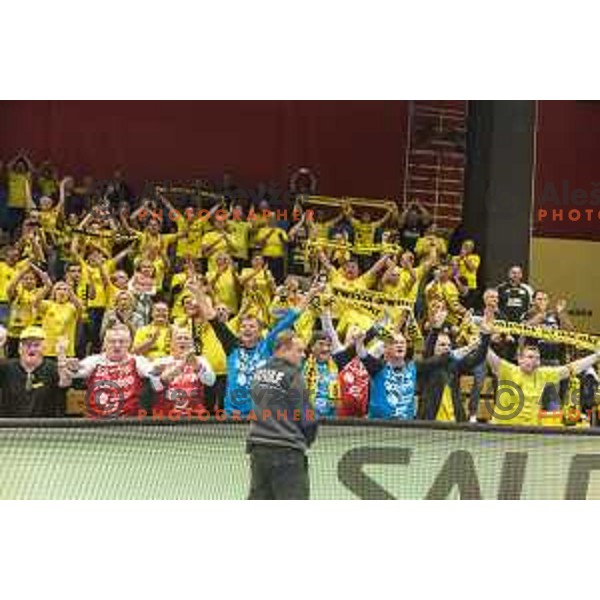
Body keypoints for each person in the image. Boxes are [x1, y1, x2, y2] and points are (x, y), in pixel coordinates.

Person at [200, 283, 322, 417]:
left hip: (260, 417)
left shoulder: (266, 346)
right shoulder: (232, 346)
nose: (247, 329)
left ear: (259, 332)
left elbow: (289, 318)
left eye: (252, 326)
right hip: (232, 417)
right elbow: (213, 319)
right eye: (243, 326)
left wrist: (310, 294)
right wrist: (197, 293)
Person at [247, 330, 317, 500]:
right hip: (287, 451)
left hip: (258, 450)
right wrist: (305, 441)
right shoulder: (293, 375)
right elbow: (308, 418)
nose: (303, 356)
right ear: (284, 348)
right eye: (299, 350)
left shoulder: (258, 373)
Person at [486, 339, 600, 426]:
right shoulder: (507, 370)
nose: (534, 361)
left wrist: (596, 356)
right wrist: (482, 336)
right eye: (530, 357)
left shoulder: (542, 374)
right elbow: (489, 355)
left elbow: (570, 369)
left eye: (537, 358)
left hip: (529, 431)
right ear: (520, 359)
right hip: (502, 428)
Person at [64, 324, 162, 418]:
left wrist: (157, 370)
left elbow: (153, 375)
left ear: (129, 343)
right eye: (112, 341)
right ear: (105, 343)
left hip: (128, 422)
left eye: (122, 341)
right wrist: (71, 366)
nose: (117, 345)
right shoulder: (94, 360)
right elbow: (74, 373)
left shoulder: (137, 361)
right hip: (94, 422)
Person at [0, 326, 70, 417]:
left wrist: (61, 354)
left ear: (44, 348)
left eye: (36, 345)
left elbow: (65, 383)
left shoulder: (53, 368)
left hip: (45, 428)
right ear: (19, 349)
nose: (31, 349)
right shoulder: (7, 368)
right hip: (11, 427)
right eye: (27, 345)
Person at [152, 327, 216, 416]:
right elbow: (156, 386)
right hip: (166, 416)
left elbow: (210, 381)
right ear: (171, 343)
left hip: (195, 416)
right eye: (179, 338)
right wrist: (182, 364)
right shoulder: (160, 362)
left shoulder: (201, 360)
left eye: (186, 338)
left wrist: (197, 366)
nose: (183, 341)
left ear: (192, 343)